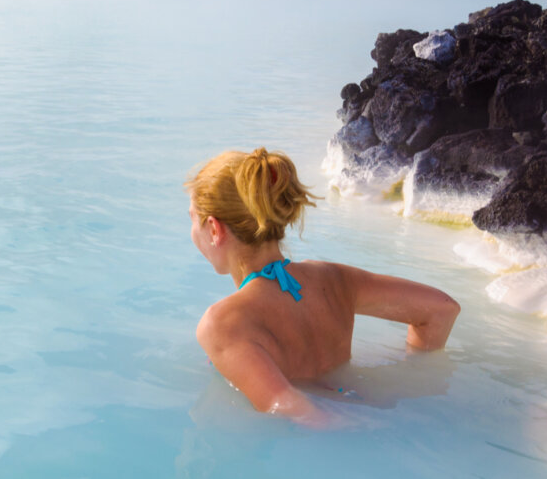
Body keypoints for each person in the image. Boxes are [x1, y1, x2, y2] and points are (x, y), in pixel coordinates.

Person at [185, 148, 460, 424]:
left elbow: (290, 407)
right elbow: (441, 309)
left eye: (192, 219)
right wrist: (417, 373)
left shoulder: (222, 324)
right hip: (367, 408)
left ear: (213, 229)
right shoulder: (332, 278)